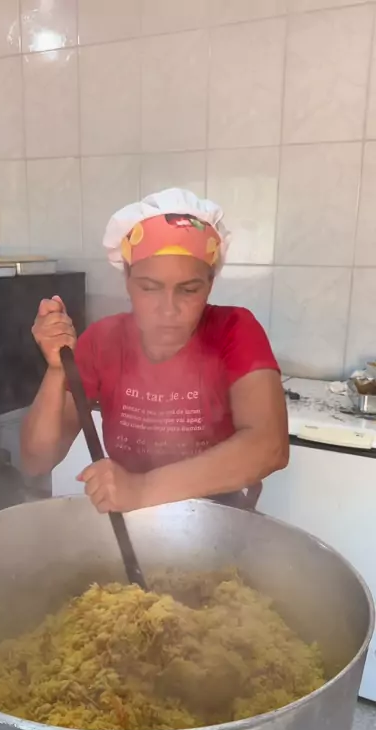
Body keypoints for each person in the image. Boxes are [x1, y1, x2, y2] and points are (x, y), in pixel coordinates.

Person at [21, 188, 288, 513]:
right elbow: (36, 460)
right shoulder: (103, 340)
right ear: (127, 278)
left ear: (210, 283)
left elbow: (269, 446)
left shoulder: (234, 330)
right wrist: (56, 369)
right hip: (131, 524)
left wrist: (142, 489)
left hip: (221, 524)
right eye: (149, 288)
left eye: (189, 290)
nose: (168, 309)